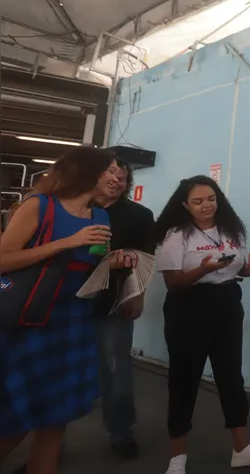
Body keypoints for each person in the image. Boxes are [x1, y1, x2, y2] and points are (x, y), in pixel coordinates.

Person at [0, 147, 131, 474]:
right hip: (27, 320)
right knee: (15, 419)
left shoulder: (100, 216)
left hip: (73, 320)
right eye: (110, 170)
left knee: (56, 420)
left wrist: (111, 263)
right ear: (88, 172)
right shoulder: (39, 206)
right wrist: (65, 242)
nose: (117, 177)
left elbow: (88, 265)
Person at [152, 176, 250, 474]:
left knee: (231, 378)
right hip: (188, 308)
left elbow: (235, 267)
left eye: (210, 198)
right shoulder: (176, 234)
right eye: (197, 201)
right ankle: (178, 459)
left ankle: (242, 449)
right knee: (184, 381)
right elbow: (174, 283)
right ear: (185, 205)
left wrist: (248, 270)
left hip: (228, 306)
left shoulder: (231, 228)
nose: (206, 205)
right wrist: (203, 269)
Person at [93, 158, 155, 460]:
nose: (117, 178)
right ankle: (50, 441)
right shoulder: (76, 208)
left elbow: (144, 259)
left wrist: (137, 295)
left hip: (113, 302)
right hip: (67, 303)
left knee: (116, 368)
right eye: (111, 172)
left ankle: (120, 433)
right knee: (60, 370)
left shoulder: (139, 215)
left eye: (123, 175)